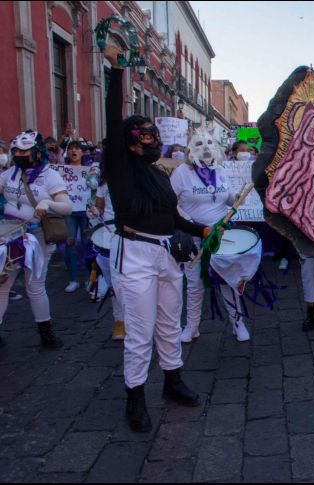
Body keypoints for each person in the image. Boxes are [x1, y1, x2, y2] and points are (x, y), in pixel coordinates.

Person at [103, 46, 214, 432]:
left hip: (168, 255)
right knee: (140, 330)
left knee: (169, 323)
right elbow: (112, 124)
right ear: (131, 141)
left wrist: (201, 230)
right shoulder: (120, 167)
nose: (153, 141)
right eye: (146, 136)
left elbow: (172, 216)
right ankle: (135, 396)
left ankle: (172, 380)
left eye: (155, 135)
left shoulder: (158, 173)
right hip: (135, 255)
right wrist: (116, 70)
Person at [171, 128, 251, 343]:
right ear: (190, 149)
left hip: (221, 235)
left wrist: (237, 197)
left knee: (228, 280)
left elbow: (228, 197)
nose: (205, 148)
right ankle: (192, 326)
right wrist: (190, 223)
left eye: (209, 143)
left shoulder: (221, 170)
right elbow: (170, 203)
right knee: (195, 284)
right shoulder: (181, 173)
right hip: (194, 236)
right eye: (199, 144)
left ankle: (238, 323)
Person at [0, 130, 73, 349]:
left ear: (36, 152)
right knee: (3, 285)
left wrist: (48, 203)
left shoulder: (50, 176)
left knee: (35, 286)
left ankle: (46, 332)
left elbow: (67, 207)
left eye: (24, 151)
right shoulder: (9, 174)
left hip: (37, 235)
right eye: (16, 151)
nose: (19, 155)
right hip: (10, 235)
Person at [90, 167, 125, 340]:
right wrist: (95, 212)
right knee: (113, 280)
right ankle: (120, 320)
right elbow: (100, 207)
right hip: (109, 233)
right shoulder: (104, 183)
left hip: (133, 233)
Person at [62, 139, 92, 293]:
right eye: (71, 148)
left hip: (85, 212)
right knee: (70, 244)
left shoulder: (90, 170)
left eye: (77, 148)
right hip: (69, 212)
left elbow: (95, 188)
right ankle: (74, 279)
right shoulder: (61, 170)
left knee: (87, 244)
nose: (73, 151)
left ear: (82, 152)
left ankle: (89, 278)